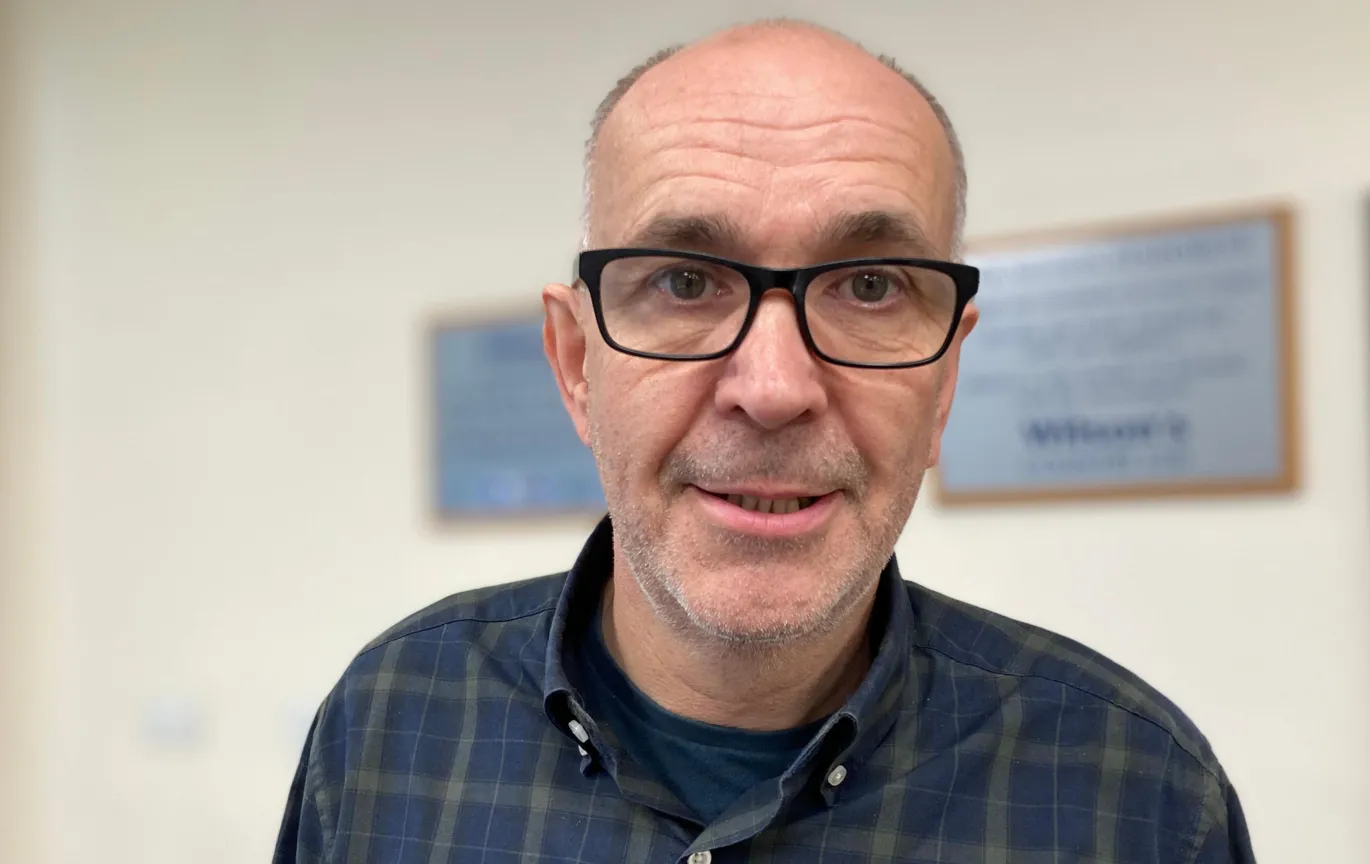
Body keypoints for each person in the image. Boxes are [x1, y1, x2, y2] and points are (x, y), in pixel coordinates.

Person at [274, 18, 1256, 864]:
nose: (776, 389)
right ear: (577, 365)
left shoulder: (1137, 796)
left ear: (946, 377)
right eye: (686, 282)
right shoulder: (390, 724)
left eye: (870, 286)